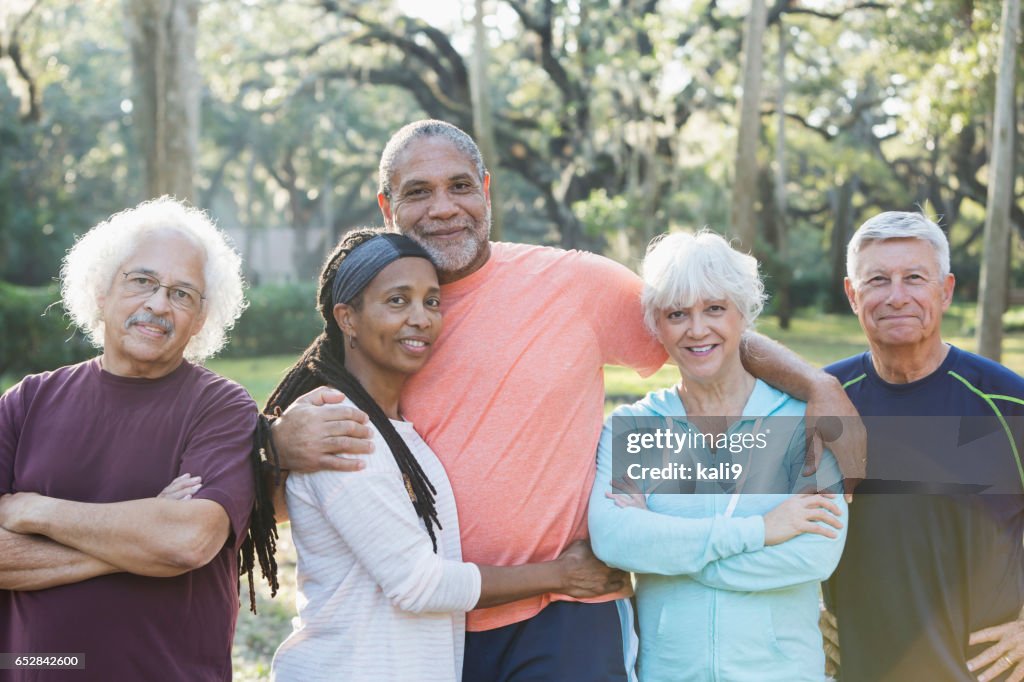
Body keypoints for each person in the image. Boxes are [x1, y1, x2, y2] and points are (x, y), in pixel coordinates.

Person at [269, 119, 864, 681]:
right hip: (428, 629)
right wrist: (274, 443)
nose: (443, 207)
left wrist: (815, 383)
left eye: (459, 186)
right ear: (387, 207)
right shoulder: (373, 324)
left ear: (486, 190)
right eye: (418, 191)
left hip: (565, 610)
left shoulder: (574, 283)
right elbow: (279, 504)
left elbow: (696, 315)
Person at [267, 228, 627, 681]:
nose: (420, 317)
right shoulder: (340, 427)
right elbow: (419, 583)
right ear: (348, 318)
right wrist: (561, 575)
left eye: (432, 302)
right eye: (397, 301)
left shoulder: (398, 431)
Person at [0, 197, 274, 682]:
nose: (158, 304)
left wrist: (35, 511)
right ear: (102, 291)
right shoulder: (27, 401)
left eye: (183, 293)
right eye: (142, 281)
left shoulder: (223, 407)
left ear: (201, 319)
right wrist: (141, 537)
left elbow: (186, 542)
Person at [588, 230, 847, 682]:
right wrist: (761, 530)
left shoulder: (801, 423)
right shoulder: (634, 427)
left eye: (714, 308)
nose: (697, 328)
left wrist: (669, 553)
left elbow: (815, 555)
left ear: (743, 313)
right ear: (656, 325)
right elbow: (614, 540)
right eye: (677, 313)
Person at [821, 211, 1024, 682]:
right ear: (852, 295)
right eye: (877, 280)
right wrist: (801, 606)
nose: (896, 296)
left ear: (945, 290)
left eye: (914, 278)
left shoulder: (1007, 403)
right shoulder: (824, 399)